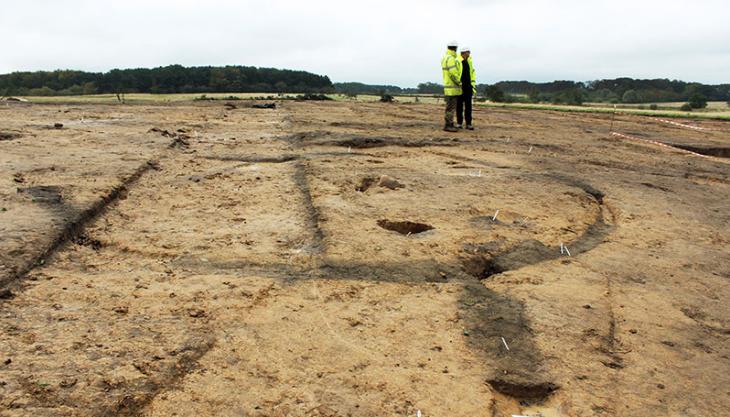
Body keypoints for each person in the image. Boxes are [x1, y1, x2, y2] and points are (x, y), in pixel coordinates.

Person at [441, 41, 462, 132]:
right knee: (451, 108)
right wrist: (459, 82)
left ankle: (449, 124)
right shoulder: (451, 58)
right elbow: (453, 73)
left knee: (449, 107)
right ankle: (448, 125)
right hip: (452, 88)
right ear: (455, 48)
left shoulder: (445, 57)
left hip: (448, 87)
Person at [457, 46, 476, 130]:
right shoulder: (457, 61)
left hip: (468, 87)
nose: (469, 54)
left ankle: (468, 123)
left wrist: (472, 86)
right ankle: (459, 123)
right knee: (459, 106)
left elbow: (472, 74)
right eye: (468, 52)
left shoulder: (470, 61)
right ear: (463, 53)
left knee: (468, 106)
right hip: (460, 87)